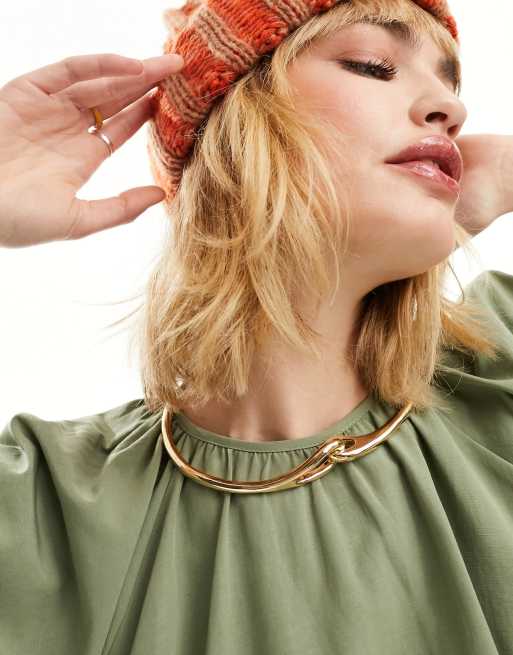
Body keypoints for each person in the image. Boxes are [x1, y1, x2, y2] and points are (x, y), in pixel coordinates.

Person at [1, 0, 513, 653]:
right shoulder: (44, 503)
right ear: (236, 126)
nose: (451, 108)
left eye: (449, 82)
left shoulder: (494, 382)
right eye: (371, 65)